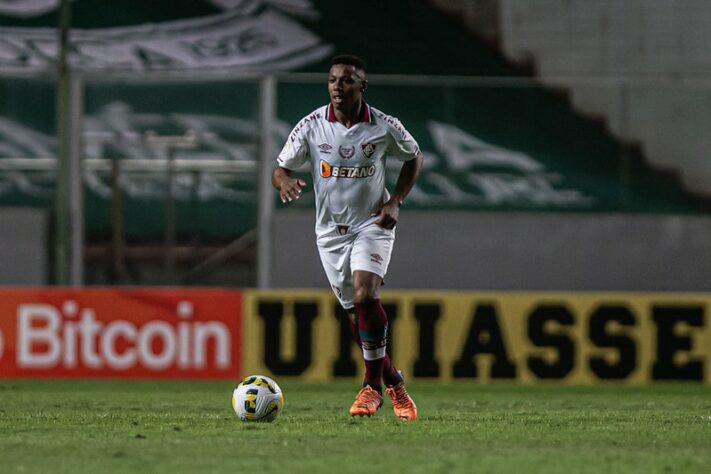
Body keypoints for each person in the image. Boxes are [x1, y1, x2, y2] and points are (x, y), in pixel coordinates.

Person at [272, 54, 423, 420]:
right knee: (358, 315)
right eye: (333, 80)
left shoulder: (384, 126)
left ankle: (370, 388)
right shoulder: (310, 126)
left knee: (365, 294)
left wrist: (396, 201)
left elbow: (414, 156)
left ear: (362, 86)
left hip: (372, 224)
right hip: (330, 234)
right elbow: (280, 168)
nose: (338, 87)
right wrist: (285, 181)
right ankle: (395, 383)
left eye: (347, 80)